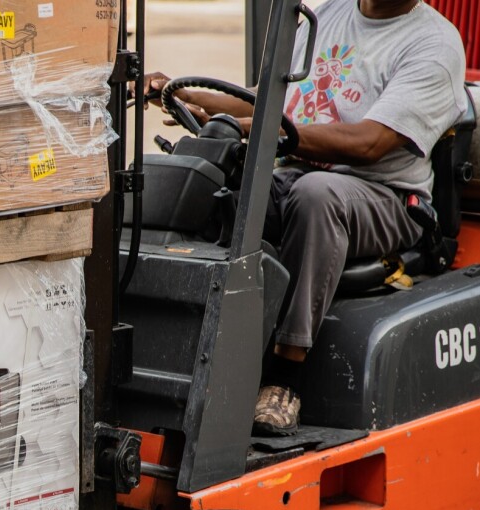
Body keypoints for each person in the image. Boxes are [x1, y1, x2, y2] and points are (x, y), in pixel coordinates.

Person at [145, 0, 468, 435]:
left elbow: (368, 143)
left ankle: (284, 378)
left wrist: (258, 132)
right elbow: (267, 102)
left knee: (316, 196)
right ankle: (182, 351)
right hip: (298, 172)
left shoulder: (434, 43)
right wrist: (183, 93)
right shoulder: (327, 15)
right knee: (208, 188)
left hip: (385, 196)